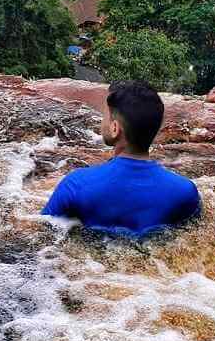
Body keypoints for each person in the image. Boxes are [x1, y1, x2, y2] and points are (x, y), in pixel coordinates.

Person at [41, 80, 201, 235]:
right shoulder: (185, 192)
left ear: (115, 128)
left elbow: (41, 234)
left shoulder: (76, 184)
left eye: (104, 115)